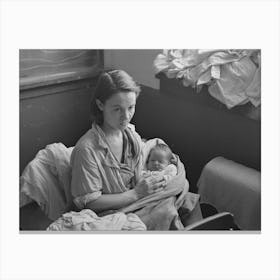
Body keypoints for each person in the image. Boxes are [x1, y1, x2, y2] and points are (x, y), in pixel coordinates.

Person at [70, 69, 202, 229]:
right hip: (113, 211)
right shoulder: (87, 149)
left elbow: (141, 166)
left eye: (131, 107)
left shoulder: (131, 135)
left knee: (190, 199)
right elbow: (90, 203)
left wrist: (156, 179)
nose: (126, 116)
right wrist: (136, 193)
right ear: (100, 105)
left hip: (139, 198)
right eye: (117, 109)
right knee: (166, 211)